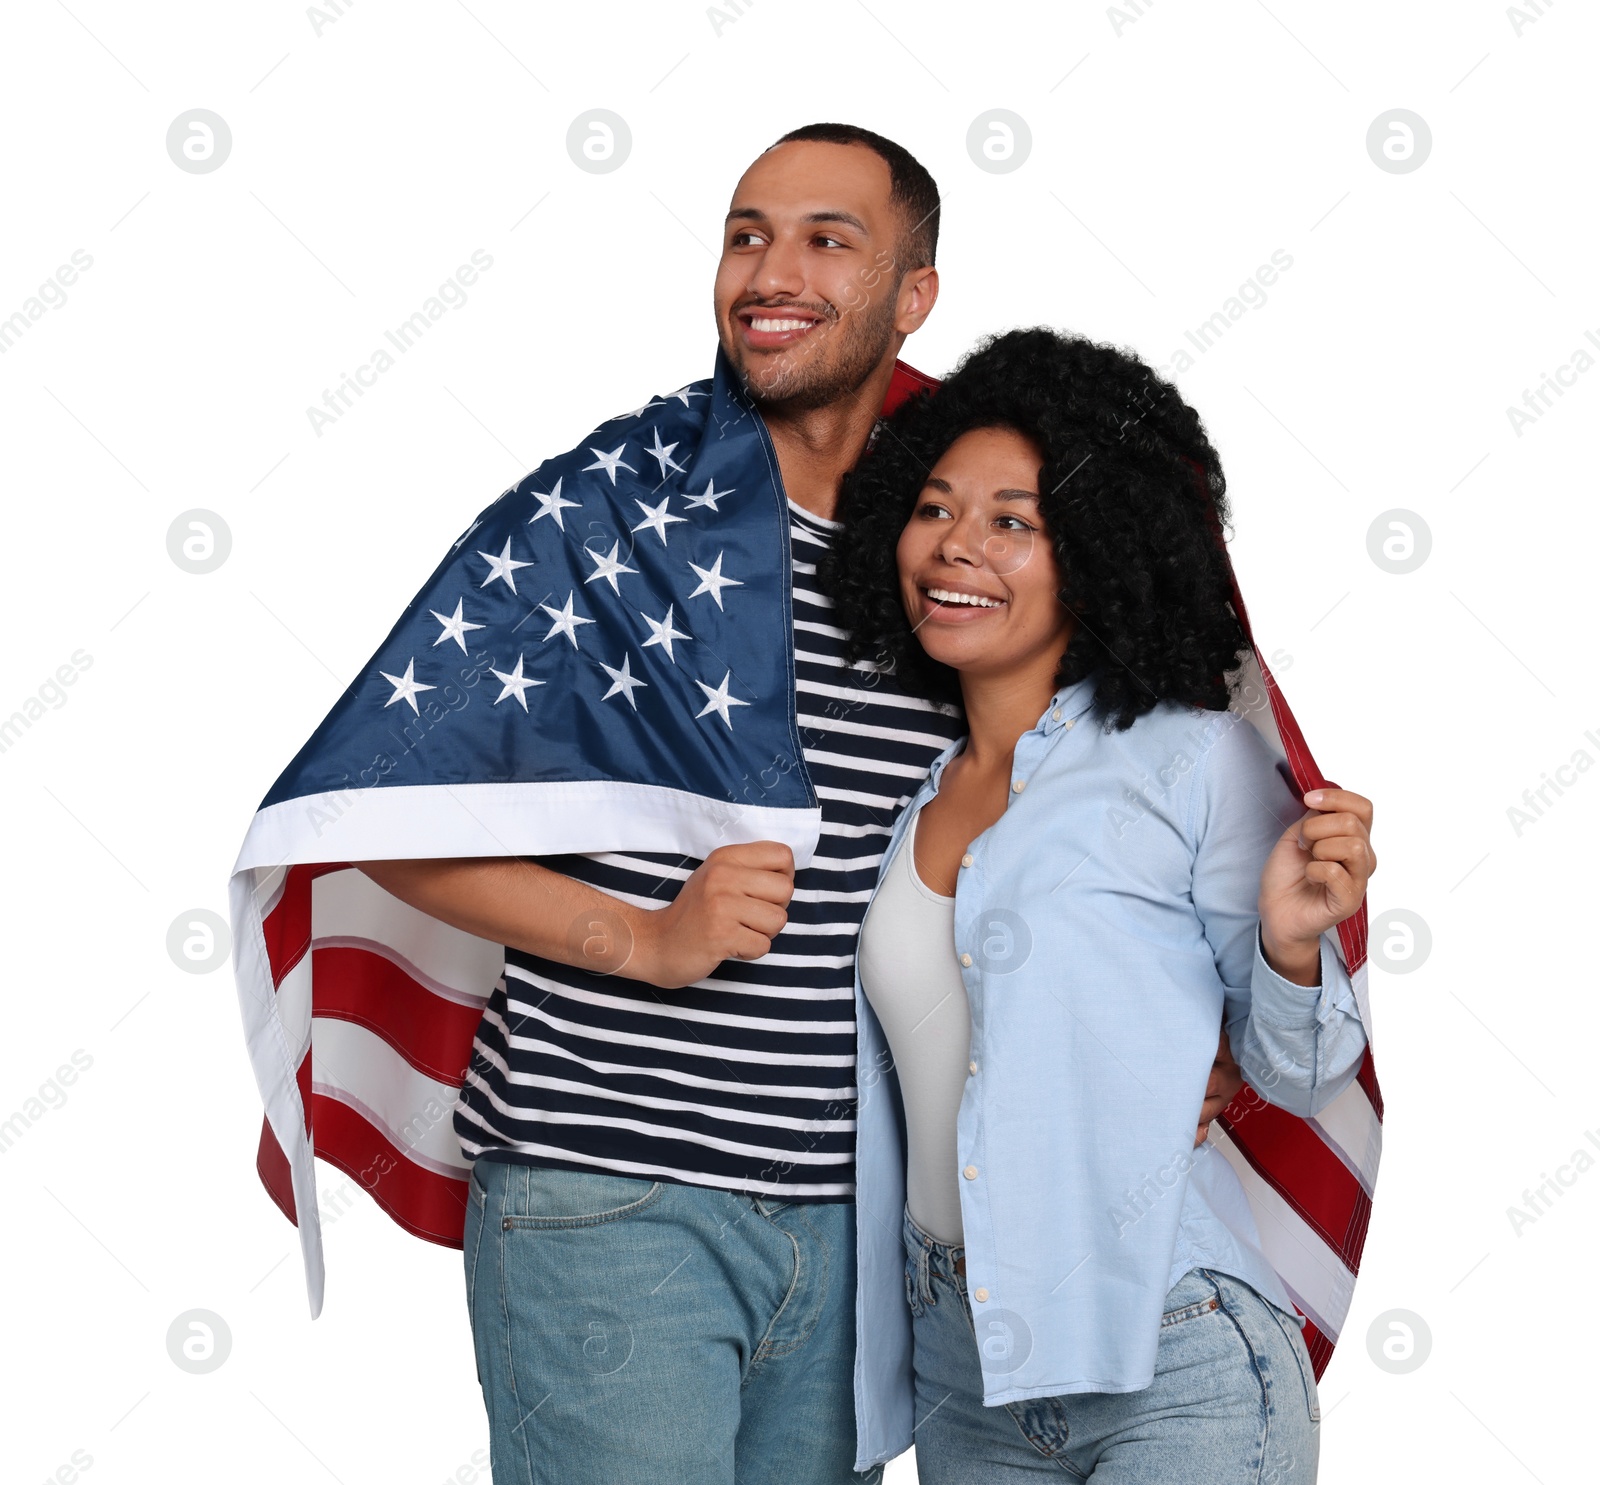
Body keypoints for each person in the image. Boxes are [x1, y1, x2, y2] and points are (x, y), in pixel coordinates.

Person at [232, 125, 1254, 1485]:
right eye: (745, 233)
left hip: (865, 1231)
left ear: (913, 293)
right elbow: (387, 806)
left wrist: (1200, 1021)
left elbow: (1099, 812)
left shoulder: (956, 550)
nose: (771, 271)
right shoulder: (608, 515)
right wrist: (641, 938)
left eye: (829, 239)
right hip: (614, 1192)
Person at [822, 326, 1376, 1482]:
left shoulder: (1190, 760)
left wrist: (1284, 946)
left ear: (1099, 551)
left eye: (1013, 521)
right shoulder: (906, 795)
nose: (956, 547)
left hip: (1172, 1357)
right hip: (967, 1371)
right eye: (935, 508)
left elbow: (1299, 1071)